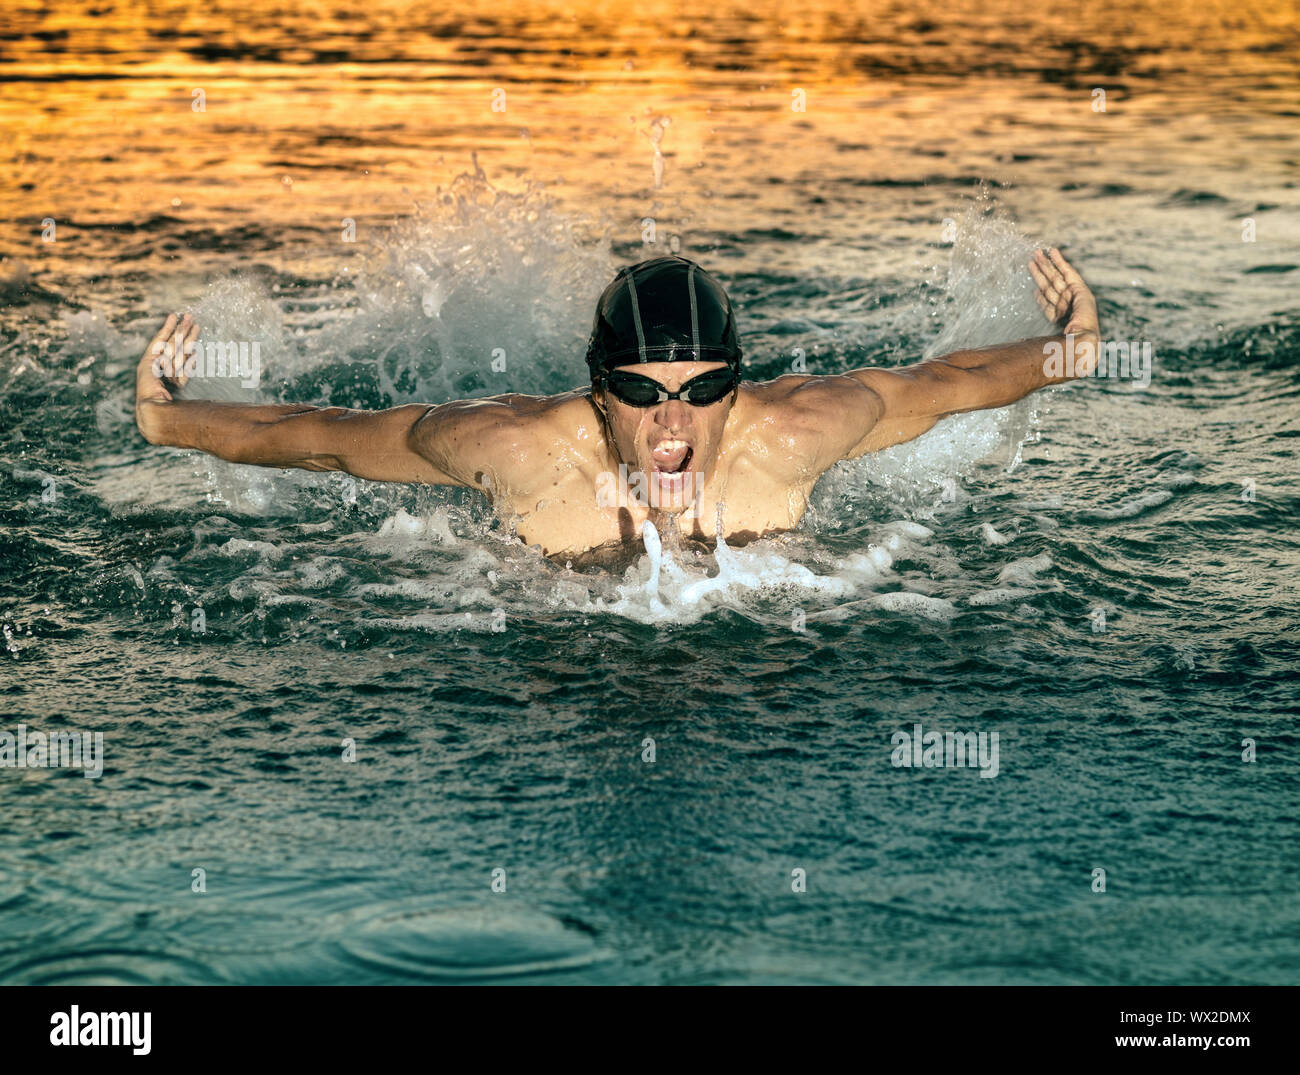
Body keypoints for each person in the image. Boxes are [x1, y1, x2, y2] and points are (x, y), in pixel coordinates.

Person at [135, 249, 1100, 562]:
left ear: (737, 387)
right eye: (641, 393)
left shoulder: (797, 432)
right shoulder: (514, 448)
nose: (672, 423)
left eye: (702, 391)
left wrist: (1068, 350)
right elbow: (327, 442)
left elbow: (948, 383)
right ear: (599, 393)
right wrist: (166, 420)